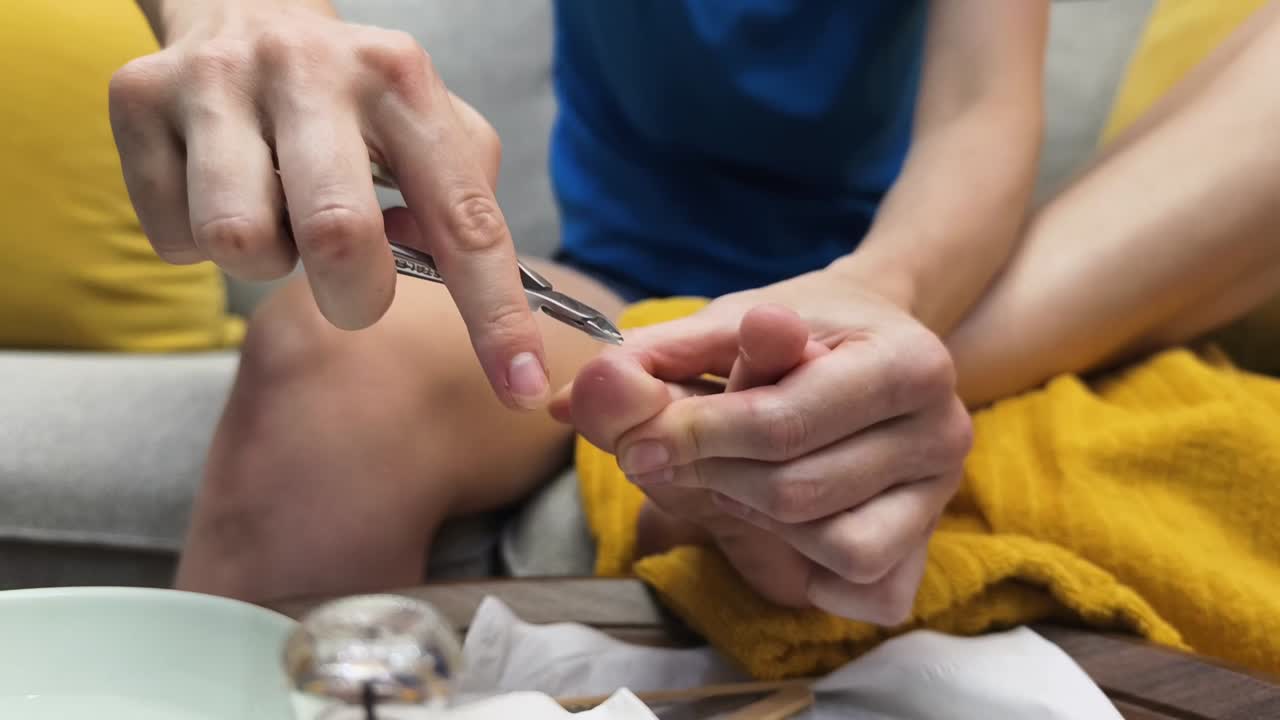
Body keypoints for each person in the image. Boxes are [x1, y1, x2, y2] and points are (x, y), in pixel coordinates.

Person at [109, 0, 1280, 620]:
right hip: (611, 291)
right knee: (330, 355)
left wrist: (872, 304)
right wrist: (239, 18)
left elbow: (980, 117)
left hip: (906, 276)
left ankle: (829, 395)